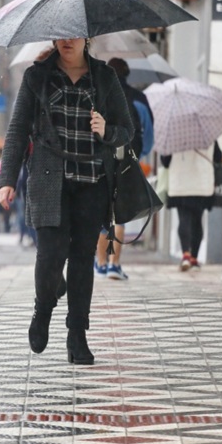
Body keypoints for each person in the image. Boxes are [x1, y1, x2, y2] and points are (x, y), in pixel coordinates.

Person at [0, 38, 134, 365]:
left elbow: (126, 130)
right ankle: (43, 309)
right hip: (48, 179)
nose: (67, 41)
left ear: (85, 38)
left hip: (92, 182)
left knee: (82, 258)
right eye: (61, 34)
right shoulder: (37, 76)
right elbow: (17, 131)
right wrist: (6, 180)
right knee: (50, 255)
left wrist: (106, 130)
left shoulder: (104, 77)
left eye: (73, 34)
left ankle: (77, 334)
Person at [95, 57, 156, 280]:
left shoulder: (99, 94)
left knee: (103, 212)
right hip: (127, 161)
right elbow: (148, 136)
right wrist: (139, 155)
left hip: (102, 161)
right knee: (118, 213)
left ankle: (100, 263)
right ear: (127, 73)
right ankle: (114, 264)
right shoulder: (139, 99)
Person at [160, 141, 222, 271]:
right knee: (197, 220)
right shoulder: (208, 136)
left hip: (180, 183)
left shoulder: (175, 135)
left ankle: (186, 256)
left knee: (184, 218)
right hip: (201, 183)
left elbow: (165, 161)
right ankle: (194, 258)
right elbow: (218, 157)